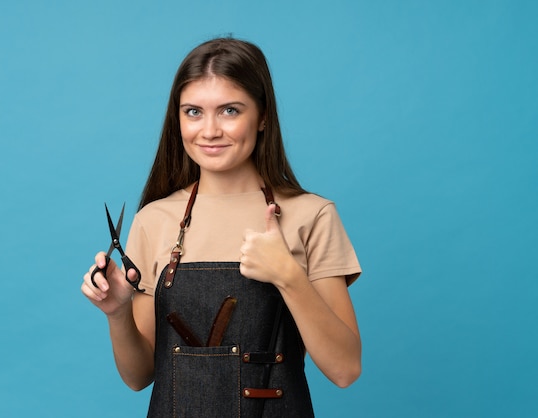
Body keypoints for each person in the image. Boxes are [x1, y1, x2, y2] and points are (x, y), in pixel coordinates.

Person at [82, 37, 362, 417]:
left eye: (230, 110)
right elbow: (138, 376)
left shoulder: (311, 215)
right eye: (193, 112)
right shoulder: (154, 219)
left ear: (262, 116)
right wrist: (117, 312)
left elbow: (345, 370)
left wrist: (288, 276)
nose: (209, 130)